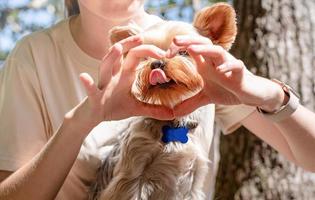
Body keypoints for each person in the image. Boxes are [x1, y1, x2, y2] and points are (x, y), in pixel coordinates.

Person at [0, 0, 314, 199]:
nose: (165, 61)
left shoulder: (196, 49)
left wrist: (271, 95)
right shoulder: (35, 57)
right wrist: (82, 120)